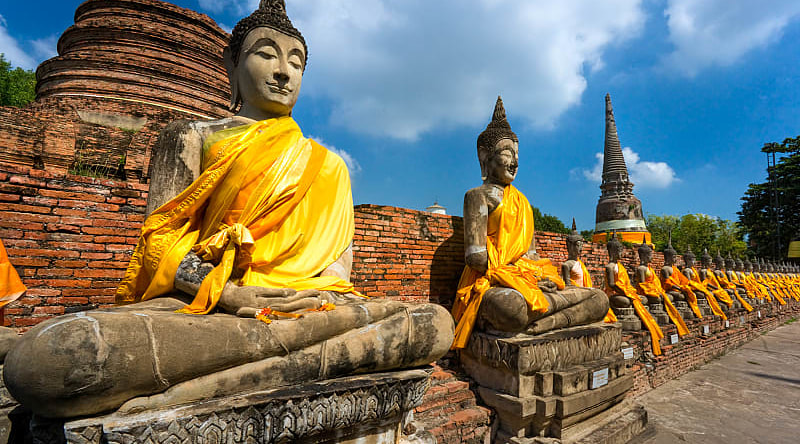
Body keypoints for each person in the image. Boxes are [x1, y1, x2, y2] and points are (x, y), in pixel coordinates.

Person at [3, 0, 453, 419]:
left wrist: (316, 304)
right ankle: (265, 369)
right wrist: (229, 293)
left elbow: (336, 274)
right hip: (215, 306)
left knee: (433, 324)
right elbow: (156, 243)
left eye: (296, 62)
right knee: (58, 360)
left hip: (313, 313)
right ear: (231, 67)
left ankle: (207, 384)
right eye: (266, 55)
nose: (283, 72)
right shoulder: (191, 136)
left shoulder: (328, 164)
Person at [451, 97, 608, 349]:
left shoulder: (522, 201)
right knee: (510, 308)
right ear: (485, 156)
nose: (514, 161)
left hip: (525, 279)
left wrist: (535, 276)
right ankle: (546, 319)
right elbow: (476, 258)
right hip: (495, 281)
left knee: (598, 299)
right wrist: (519, 278)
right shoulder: (477, 196)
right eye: (506, 153)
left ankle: (542, 324)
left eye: (517, 154)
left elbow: (532, 254)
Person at [603, 234, 664, 355]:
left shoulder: (620, 266)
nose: (621, 253)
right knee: (626, 301)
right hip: (613, 293)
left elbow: (628, 283)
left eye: (621, 250)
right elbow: (611, 284)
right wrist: (625, 292)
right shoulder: (610, 267)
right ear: (611, 251)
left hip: (624, 292)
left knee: (641, 300)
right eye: (619, 250)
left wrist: (629, 291)